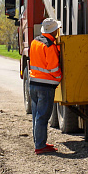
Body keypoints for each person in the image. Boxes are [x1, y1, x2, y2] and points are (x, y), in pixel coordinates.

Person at [29, 18, 63, 155]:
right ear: (54, 31)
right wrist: (59, 78)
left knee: (37, 116)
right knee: (43, 117)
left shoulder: (35, 42)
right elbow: (53, 68)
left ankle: (39, 142)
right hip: (46, 86)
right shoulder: (50, 46)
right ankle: (40, 146)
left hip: (33, 84)